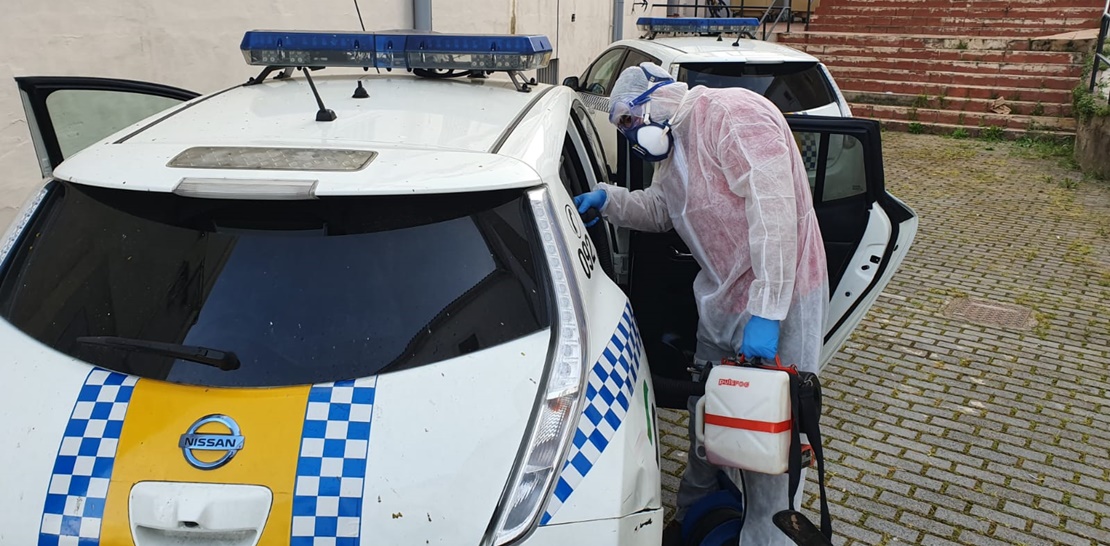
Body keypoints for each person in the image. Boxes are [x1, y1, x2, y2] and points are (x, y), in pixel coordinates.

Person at [573, 62, 829, 545]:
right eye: (623, 129)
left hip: (783, 299)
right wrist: (607, 200)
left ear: (657, 98)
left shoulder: (733, 114)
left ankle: (766, 535)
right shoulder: (673, 158)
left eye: (629, 122)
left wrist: (768, 311)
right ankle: (698, 514)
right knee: (709, 417)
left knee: (766, 437)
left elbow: (775, 214)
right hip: (722, 301)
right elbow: (661, 210)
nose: (631, 136)